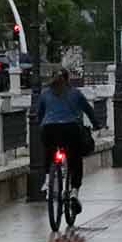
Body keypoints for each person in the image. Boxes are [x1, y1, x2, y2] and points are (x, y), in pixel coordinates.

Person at [31, 68, 103, 216]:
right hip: (70, 130)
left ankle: (46, 180)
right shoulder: (75, 93)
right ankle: (74, 192)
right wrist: (96, 124)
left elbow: (39, 116)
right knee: (75, 160)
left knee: (49, 151)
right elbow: (89, 111)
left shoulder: (45, 94)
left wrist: (42, 123)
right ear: (67, 79)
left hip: (49, 130)